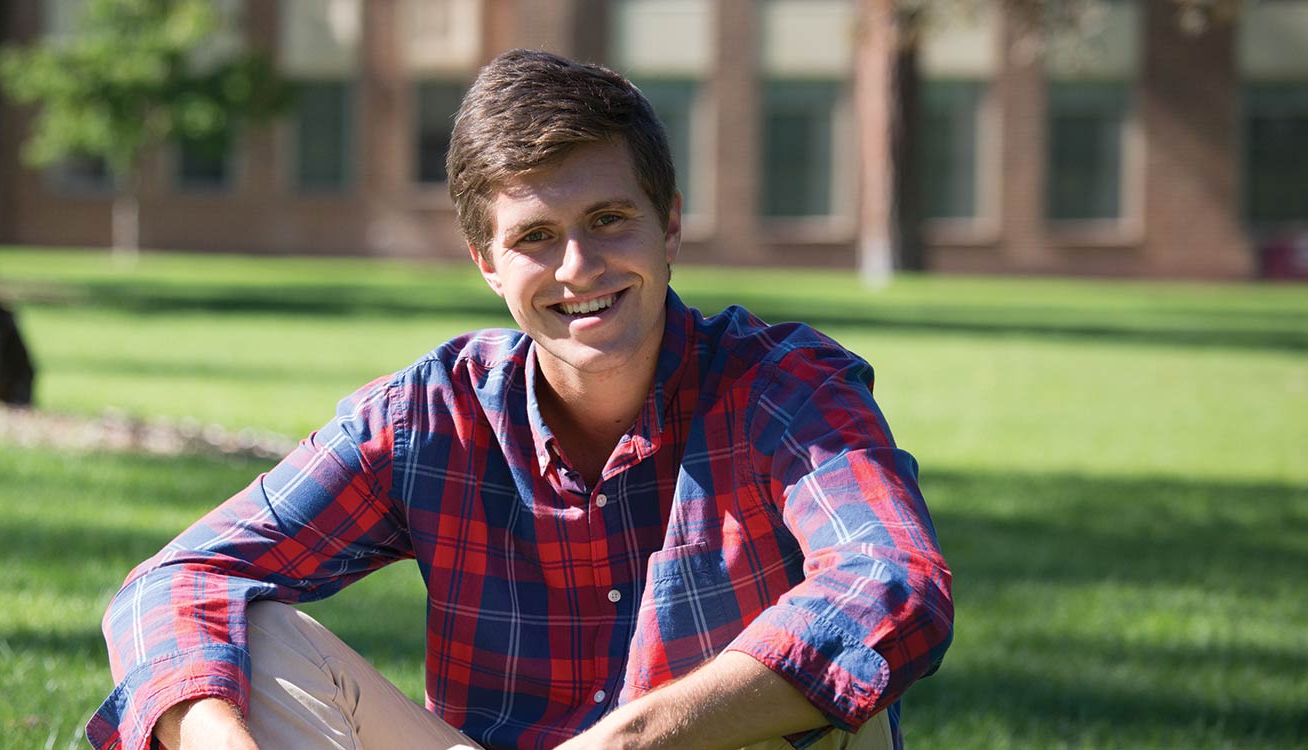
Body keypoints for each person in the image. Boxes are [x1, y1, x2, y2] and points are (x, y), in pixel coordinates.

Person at [84, 49, 953, 750]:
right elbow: (173, 580)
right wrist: (218, 737)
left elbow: (893, 583)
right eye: (537, 237)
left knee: (844, 707)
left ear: (671, 224)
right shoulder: (426, 417)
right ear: (487, 264)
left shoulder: (784, 387)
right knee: (248, 638)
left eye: (610, 219)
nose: (579, 267)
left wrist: (637, 737)